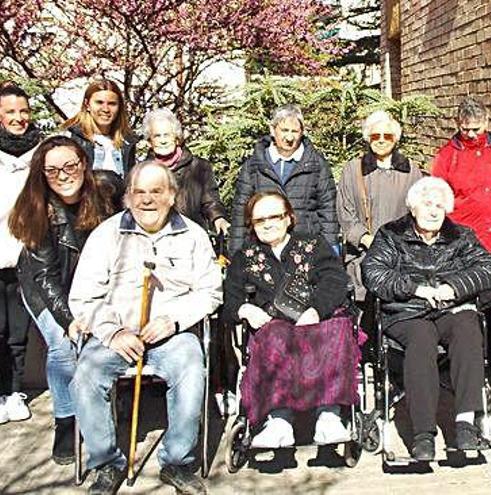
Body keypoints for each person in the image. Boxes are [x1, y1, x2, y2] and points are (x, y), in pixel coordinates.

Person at [69, 162, 222, 495]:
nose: (147, 200)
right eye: (139, 191)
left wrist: (174, 320)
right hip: (116, 333)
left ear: (171, 196)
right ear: (128, 197)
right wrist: (112, 332)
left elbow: (210, 292)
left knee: (191, 366)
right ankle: (107, 463)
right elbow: (82, 297)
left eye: (156, 191)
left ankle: (177, 462)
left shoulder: (193, 235)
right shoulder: (107, 235)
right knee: (85, 377)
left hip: (171, 333)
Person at [362, 177, 491, 461]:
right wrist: (417, 289)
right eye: (427, 204)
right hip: (407, 312)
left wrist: (453, 288)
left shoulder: (461, 236)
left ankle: (465, 424)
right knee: (422, 339)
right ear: (413, 208)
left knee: (468, 328)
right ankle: (423, 434)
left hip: (450, 309)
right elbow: (373, 273)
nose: (433, 211)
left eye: (439, 205)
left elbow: (488, 270)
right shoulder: (391, 235)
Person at [9, 136, 116, 463]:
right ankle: (66, 420)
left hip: (94, 283)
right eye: (52, 169)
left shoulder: (108, 191)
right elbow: (46, 278)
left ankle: (103, 405)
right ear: (42, 174)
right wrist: (70, 321)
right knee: (62, 344)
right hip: (46, 287)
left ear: (84, 163)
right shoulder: (36, 210)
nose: (63, 174)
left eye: (70, 165)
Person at [224, 190, 358, 448]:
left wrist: (315, 310)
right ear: (252, 225)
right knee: (274, 335)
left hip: (317, 318)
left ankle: (329, 417)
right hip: (275, 325)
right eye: (259, 220)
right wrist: (244, 309)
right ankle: (279, 422)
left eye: (274, 216)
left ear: (289, 218)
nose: (268, 223)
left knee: (335, 329)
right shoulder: (245, 257)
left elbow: (335, 280)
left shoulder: (313, 245)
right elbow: (230, 298)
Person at [337, 110, 421, 326]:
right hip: (364, 254)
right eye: (376, 136)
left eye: (387, 136)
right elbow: (345, 215)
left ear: (396, 139)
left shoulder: (411, 170)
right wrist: (366, 239)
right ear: (367, 138)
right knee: (364, 319)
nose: (381, 140)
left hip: (400, 256)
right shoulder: (352, 170)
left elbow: (418, 211)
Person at [230, 104, 338, 254]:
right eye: (284, 130)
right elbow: (240, 211)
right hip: (263, 248)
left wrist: (332, 250)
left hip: (305, 248)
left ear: (302, 133)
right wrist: (236, 254)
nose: (289, 137)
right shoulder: (254, 165)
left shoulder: (317, 164)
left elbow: (328, 211)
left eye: (294, 131)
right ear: (273, 130)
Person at [0, 83, 40, 425]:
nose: (18, 118)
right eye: (10, 112)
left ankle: (14, 391)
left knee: (17, 330)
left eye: (23, 111)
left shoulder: (38, 153)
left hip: (24, 253)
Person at [432, 97, 491, 253]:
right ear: (457, 123)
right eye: (465, 129)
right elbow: (436, 197)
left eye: (476, 129)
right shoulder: (446, 156)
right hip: (461, 240)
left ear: (486, 122)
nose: (471, 135)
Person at [142, 108, 230, 234]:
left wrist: (218, 218)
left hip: (191, 235)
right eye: (157, 136)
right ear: (149, 142)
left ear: (177, 138)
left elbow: (210, 200)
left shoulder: (199, 166)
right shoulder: (141, 172)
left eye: (167, 135)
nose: (163, 140)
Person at [62, 79, 137, 177]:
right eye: (99, 102)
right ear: (87, 104)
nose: (105, 109)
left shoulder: (127, 142)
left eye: (112, 104)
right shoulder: (70, 139)